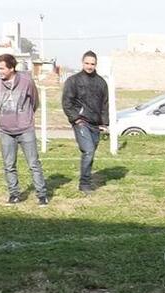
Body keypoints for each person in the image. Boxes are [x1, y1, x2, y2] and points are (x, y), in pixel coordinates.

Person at [0, 54, 48, 206]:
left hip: (25, 129)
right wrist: (4, 119)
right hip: (6, 131)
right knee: (9, 165)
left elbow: (35, 102)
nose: (0, 71)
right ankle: (14, 194)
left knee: (33, 163)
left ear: (11, 67)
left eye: (2, 68)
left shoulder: (27, 81)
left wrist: (25, 117)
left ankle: (42, 195)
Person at [62, 50, 109, 194]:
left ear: (96, 64)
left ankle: (86, 177)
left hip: (96, 124)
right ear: (82, 63)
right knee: (88, 151)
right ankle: (85, 184)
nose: (89, 66)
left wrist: (105, 123)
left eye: (92, 64)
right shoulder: (73, 81)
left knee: (91, 152)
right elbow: (66, 102)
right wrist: (76, 119)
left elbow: (105, 104)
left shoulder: (101, 82)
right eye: (87, 63)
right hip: (81, 122)